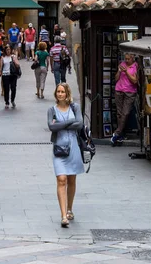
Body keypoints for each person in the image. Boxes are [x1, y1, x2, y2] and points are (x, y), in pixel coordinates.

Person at [47, 83, 84, 228]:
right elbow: (51, 126)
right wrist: (69, 122)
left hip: (73, 147)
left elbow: (80, 124)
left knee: (71, 179)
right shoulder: (52, 110)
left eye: (62, 92)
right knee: (61, 179)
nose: (60, 94)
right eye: (58, 92)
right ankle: (63, 215)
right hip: (59, 148)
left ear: (67, 93)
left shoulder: (75, 107)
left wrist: (60, 123)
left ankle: (69, 209)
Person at [111, 53, 138, 146]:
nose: (126, 61)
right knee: (119, 113)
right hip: (119, 90)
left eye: (128, 59)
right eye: (125, 59)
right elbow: (116, 79)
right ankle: (120, 134)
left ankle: (118, 132)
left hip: (130, 92)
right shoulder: (122, 64)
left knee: (125, 112)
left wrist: (126, 72)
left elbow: (135, 81)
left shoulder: (135, 66)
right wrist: (119, 71)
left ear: (132, 58)